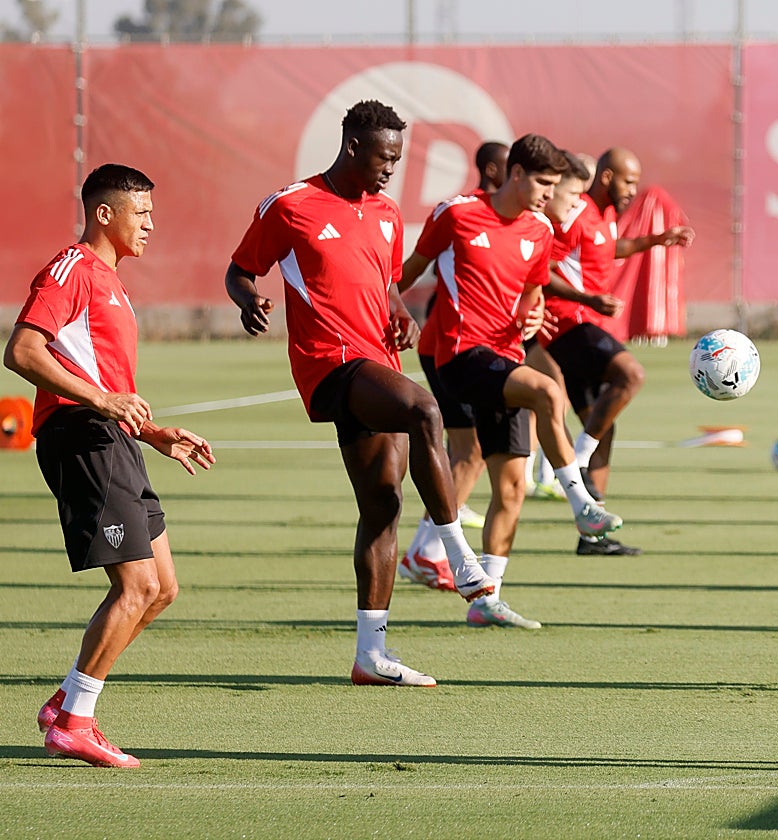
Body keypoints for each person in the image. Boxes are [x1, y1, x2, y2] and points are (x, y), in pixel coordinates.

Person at [224, 100, 495, 687]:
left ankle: (371, 655)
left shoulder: (389, 213)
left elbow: (384, 282)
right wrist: (250, 301)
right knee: (425, 407)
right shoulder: (290, 205)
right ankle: (455, 551)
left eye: (397, 158)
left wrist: (398, 313)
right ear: (352, 147)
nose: (391, 168)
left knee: (383, 505)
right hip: (330, 363)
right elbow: (240, 270)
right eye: (384, 156)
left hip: (378, 357)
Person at [4, 164, 215, 768]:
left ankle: (68, 699)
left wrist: (152, 432)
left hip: (113, 437)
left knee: (162, 589)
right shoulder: (71, 269)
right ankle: (74, 722)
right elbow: (20, 350)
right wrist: (102, 404)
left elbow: (108, 382)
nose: (151, 223)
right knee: (137, 585)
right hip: (82, 436)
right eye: (140, 212)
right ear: (104, 214)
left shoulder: (112, 282)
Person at [398, 133, 622, 630]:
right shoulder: (456, 214)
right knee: (547, 390)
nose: (549, 193)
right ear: (516, 174)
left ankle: (487, 598)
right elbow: (406, 273)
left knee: (512, 487)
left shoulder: (540, 230)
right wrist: (388, 313)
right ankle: (582, 503)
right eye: (543, 182)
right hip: (459, 356)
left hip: (504, 358)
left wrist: (531, 312)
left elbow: (534, 293)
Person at [539, 147, 694, 555]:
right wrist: (588, 300)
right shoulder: (576, 210)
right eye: (628, 181)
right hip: (569, 324)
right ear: (605, 177)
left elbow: (610, 248)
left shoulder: (603, 216)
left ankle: (593, 536)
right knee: (631, 375)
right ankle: (577, 457)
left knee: (604, 423)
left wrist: (658, 240)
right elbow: (543, 267)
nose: (633, 190)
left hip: (585, 323)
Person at [401, 141, 509, 592]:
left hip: (472, 348)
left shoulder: (512, 221)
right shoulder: (463, 213)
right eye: (513, 169)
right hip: (448, 346)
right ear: (493, 170)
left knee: (469, 451)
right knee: (472, 452)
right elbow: (408, 273)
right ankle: (424, 552)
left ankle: (427, 549)